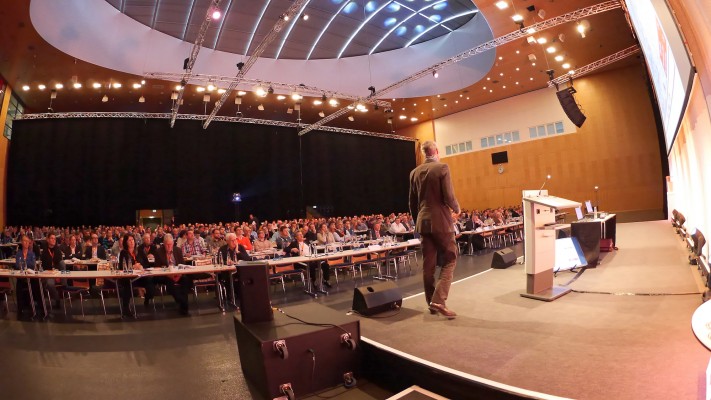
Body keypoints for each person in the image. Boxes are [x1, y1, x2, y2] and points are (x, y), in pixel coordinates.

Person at [409, 140, 460, 319]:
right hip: (441, 222)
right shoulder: (442, 168)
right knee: (450, 258)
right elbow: (449, 196)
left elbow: (412, 203)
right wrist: (457, 208)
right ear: (436, 151)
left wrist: (419, 221)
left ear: (424, 153)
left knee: (428, 265)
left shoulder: (414, 173)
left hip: (423, 222)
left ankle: (431, 303)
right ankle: (439, 300)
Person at [118, 234, 155, 315]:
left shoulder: (140, 251)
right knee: (127, 285)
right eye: (129, 240)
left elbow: (147, 264)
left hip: (140, 277)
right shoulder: (123, 253)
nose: (132, 242)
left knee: (150, 281)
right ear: (126, 242)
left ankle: (147, 298)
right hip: (129, 278)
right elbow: (121, 267)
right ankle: (126, 308)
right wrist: (133, 267)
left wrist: (141, 266)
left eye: (133, 240)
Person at [153, 234, 190, 315]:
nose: (169, 246)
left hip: (178, 274)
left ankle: (184, 308)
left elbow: (183, 265)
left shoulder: (178, 250)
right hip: (166, 275)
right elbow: (157, 267)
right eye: (167, 244)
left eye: (170, 244)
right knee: (170, 284)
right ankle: (183, 303)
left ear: (173, 243)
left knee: (185, 280)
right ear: (163, 243)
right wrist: (169, 275)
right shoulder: (158, 252)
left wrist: (179, 274)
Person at [14, 235, 40, 319]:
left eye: (27, 241)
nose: (26, 243)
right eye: (24, 241)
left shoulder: (32, 253)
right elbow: (17, 265)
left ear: (29, 243)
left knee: (35, 284)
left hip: (30, 276)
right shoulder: (18, 254)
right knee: (19, 284)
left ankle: (35, 306)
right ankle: (20, 308)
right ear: (21, 242)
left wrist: (24, 264)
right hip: (22, 276)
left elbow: (32, 265)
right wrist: (25, 265)